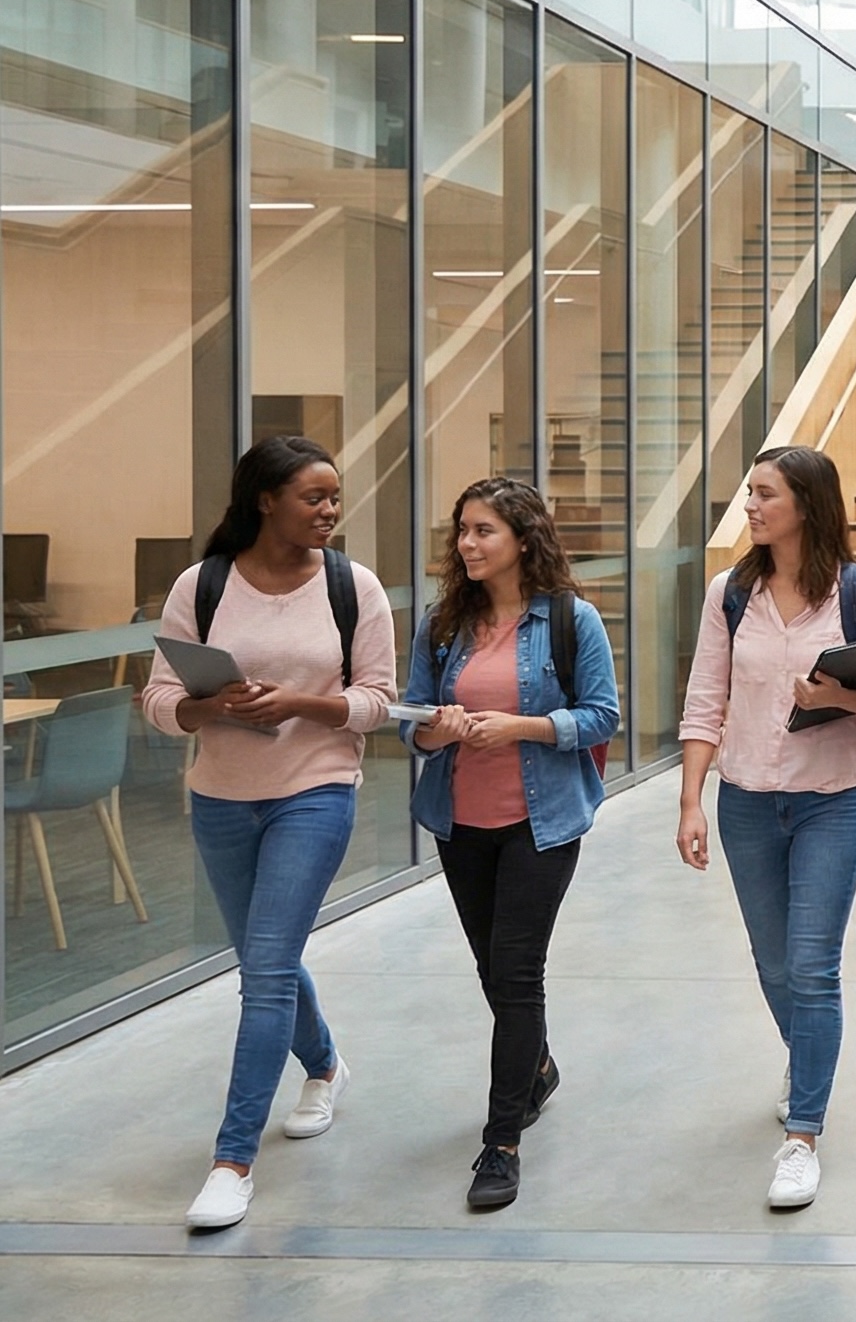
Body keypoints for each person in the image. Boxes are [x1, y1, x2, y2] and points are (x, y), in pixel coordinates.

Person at [141, 436, 399, 1232]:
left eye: (334, 497)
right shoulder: (202, 584)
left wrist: (298, 704)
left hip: (315, 790)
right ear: (265, 500)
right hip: (221, 797)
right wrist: (208, 706)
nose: (329, 510)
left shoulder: (353, 586)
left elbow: (378, 702)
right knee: (265, 960)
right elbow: (158, 700)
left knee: (265, 973)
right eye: (313, 497)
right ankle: (324, 1065)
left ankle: (232, 1163)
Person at [675, 446, 856, 1212]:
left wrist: (842, 698)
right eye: (750, 492)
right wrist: (690, 801)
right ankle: (805, 1057)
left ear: (806, 503)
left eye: (764, 493)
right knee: (773, 966)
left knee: (811, 968)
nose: (750, 505)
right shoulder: (729, 595)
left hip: (832, 801)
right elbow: (704, 698)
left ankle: (802, 1136)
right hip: (745, 802)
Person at [403, 477, 620, 1210]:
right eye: (462, 530)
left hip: (541, 823)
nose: (467, 544)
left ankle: (501, 1144)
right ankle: (538, 1069)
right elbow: (412, 725)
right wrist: (438, 729)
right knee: (492, 971)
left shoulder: (570, 620)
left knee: (518, 972)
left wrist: (521, 728)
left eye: (483, 531)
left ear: (523, 540)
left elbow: (602, 716)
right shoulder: (442, 625)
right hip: (461, 823)